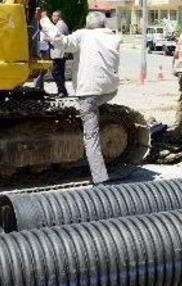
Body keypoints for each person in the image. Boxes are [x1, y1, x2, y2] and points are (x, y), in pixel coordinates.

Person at [39, 11, 121, 184]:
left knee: (91, 136)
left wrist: (44, 20)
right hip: (110, 89)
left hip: (88, 92)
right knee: (96, 105)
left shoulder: (83, 35)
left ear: (87, 24)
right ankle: (98, 113)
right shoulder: (113, 37)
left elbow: (61, 42)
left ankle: (100, 178)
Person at [49, 10, 70, 97]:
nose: (52, 18)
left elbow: (57, 39)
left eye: (55, 16)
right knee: (59, 72)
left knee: (56, 72)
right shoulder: (60, 25)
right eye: (52, 16)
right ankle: (62, 91)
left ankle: (62, 91)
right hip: (60, 53)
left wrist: (48, 39)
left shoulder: (60, 26)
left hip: (59, 54)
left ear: (59, 17)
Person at [33, 8, 51, 92]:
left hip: (44, 47)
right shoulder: (34, 21)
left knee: (44, 69)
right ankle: (37, 87)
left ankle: (40, 87)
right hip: (38, 48)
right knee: (38, 68)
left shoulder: (44, 21)